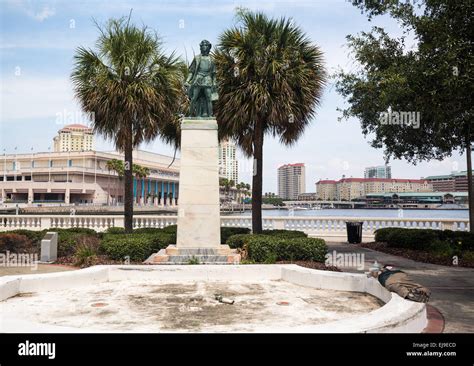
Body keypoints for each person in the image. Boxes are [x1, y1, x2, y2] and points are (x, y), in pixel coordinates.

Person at [185, 40, 218, 117]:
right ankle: (190, 115)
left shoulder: (212, 59)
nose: (204, 47)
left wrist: (214, 82)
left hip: (207, 79)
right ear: (200, 47)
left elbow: (214, 73)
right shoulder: (197, 58)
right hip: (198, 78)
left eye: (206, 45)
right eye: (203, 45)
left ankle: (210, 115)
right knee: (194, 98)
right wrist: (187, 81)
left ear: (209, 47)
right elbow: (191, 71)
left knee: (209, 99)